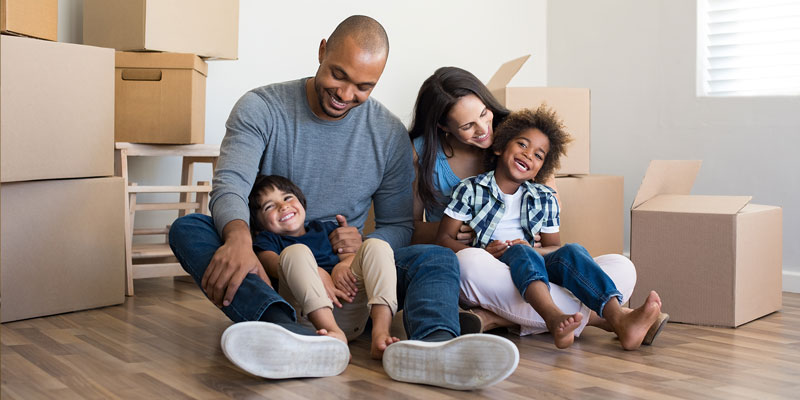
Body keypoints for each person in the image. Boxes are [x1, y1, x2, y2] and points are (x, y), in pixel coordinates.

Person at [169, 16, 519, 390]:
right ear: (322, 51)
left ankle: (433, 346)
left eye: (363, 86)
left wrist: (358, 250)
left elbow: (399, 224)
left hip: (351, 278)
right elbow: (231, 184)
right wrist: (239, 238)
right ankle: (282, 329)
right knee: (189, 229)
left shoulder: (387, 134)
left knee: (435, 257)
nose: (346, 94)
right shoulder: (261, 107)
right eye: (339, 75)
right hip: (273, 262)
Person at [409, 66, 668, 345]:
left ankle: (494, 318)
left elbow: (553, 244)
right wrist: (471, 237)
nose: (485, 130)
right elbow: (413, 230)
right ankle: (604, 319)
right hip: (482, 266)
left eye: (484, 113)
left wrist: (533, 249)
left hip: (534, 264)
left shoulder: (524, 141)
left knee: (622, 266)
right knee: (471, 263)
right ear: (443, 127)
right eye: (467, 125)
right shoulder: (456, 179)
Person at [248, 174, 399, 359]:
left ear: (302, 203)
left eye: (287, 198)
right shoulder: (267, 240)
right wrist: (316, 271)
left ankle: (381, 333)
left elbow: (351, 256)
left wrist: (342, 266)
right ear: (258, 224)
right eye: (269, 206)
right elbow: (272, 265)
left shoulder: (325, 229)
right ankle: (333, 333)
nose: (283, 206)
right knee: (296, 252)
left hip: (350, 306)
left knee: (377, 246)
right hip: (310, 318)